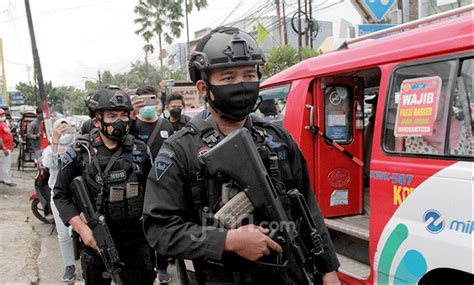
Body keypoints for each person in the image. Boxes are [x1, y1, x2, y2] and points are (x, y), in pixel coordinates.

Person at [143, 27, 340, 285]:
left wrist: (329, 269)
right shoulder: (181, 150)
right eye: (228, 78)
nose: (242, 84)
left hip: (288, 273)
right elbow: (160, 229)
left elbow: (308, 209)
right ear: (204, 87)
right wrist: (228, 240)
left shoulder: (277, 140)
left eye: (249, 74)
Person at [53, 86, 156, 285]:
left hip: (136, 243)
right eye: (111, 115)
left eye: (124, 115)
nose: (120, 121)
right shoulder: (80, 152)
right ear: (96, 120)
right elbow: (60, 194)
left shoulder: (140, 150)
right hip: (97, 244)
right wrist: (83, 230)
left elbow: (154, 190)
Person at [42, 118, 76, 282]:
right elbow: (49, 164)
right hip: (59, 196)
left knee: (80, 232)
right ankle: (69, 266)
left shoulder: (77, 146)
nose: (63, 130)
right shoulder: (49, 149)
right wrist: (54, 142)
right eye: (59, 127)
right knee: (63, 235)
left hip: (78, 195)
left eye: (65, 126)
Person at [130, 85, 174, 160]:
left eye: (150, 100)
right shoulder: (133, 123)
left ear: (156, 101)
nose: (147, 105)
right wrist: (132, 115)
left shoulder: (166, 124)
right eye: (143, 101)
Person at [0, 109, 15, 187]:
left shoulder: (4, 124)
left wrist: (11, 144)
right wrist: (4, 147)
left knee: (3, 164)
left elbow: (8, 134)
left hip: (7, 147)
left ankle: (2, 179)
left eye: (3, 115)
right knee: (6, 165)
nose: (2, 116)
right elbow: (0, 138)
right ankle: (7, 181)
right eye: (1, 115)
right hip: (4, 148)